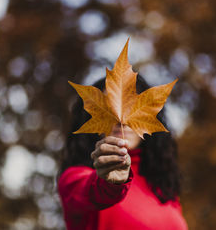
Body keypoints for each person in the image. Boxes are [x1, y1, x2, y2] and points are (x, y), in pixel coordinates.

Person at [57, 75, 188, 230]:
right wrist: (110, 182)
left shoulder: (163, 187)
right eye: (109, 109)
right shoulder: (75, 179)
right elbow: (93, 190)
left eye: (132, 108)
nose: (121, 120)